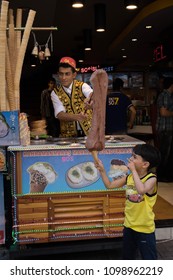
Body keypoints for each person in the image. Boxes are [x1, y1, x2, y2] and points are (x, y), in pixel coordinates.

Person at [95, 143, 161, 260]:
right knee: (128, 258)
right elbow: (109, 185)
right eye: (132, 155)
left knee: (149, 259)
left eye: (135, 157)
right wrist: (102, 171)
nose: (130, 159)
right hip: (129, 226)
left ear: (145, 164)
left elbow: (141, 190)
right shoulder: (129, 178)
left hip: (144, 228)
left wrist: (133, 171)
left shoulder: (151, 179)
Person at [51, 57, 93, 138]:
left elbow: (92, 95)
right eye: (61, 74)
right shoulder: (55, 93)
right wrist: (77, 117)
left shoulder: (82, 86)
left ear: (74, 75)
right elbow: (60, 114)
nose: (63, 78)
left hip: (90, 133)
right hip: (68, 136)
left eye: (67, 74)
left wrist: (92, 102)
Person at [156, 76, 173, 182]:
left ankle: (165, 175)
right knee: (164, 153)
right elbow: (163, 112)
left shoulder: (168, 96)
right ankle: (162, 176)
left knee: (165, 153)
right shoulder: (165, 96)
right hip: (165, 129)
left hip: (166, 129)